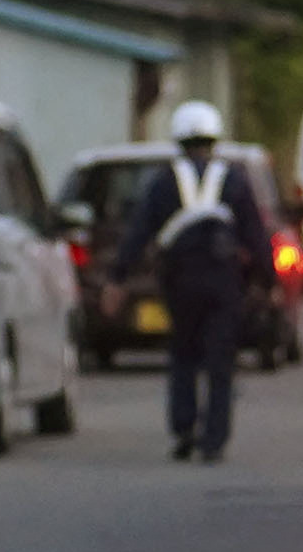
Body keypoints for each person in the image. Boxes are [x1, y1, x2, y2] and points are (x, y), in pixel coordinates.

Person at [113, 97, 272, 464]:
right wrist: (268, 280)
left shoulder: (163, 182)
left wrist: (119, 275)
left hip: (180, 280)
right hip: (223, 281)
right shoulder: (233, 179)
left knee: (183, 354)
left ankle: (184, 429)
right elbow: (255, 232)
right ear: (214, 138)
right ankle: (214, 439)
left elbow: (138, 232)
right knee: (220, 361)